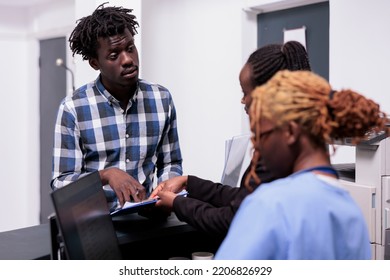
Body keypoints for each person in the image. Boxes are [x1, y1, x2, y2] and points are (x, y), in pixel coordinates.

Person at [215, 70, 388, 259]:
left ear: (290, 132)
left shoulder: (270, 205)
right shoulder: (353, 215)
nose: (257, 146)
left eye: (262, 134)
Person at [150, 41, 311, 237]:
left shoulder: (277, 153)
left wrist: (177, 203)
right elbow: (242, 198)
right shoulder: (292, 141)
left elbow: (232, 219)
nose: (243, 100)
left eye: (246, 93)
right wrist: (188, 182)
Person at [51, 4, 183, 208]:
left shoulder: (161, 98)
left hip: (148, 219)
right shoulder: (73, 108)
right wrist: (105, 175)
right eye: (114, 55)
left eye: (130, 48)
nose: (128, 59)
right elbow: (61, 184)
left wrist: (163, 193)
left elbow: (170, 163)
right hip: (96, 227)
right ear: (95, 63)